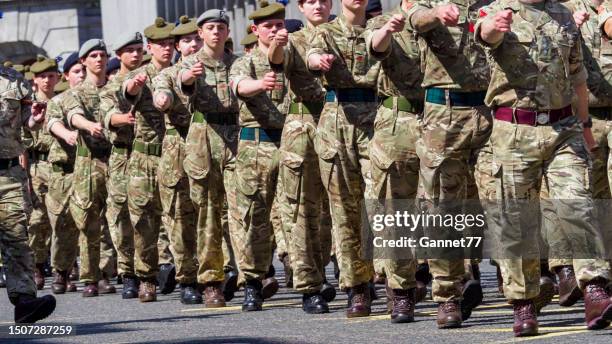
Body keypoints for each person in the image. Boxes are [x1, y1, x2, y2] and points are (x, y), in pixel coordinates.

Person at [477, 0, 612, 335]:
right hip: (514, 131)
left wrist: (584, 127)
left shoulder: (564, 14)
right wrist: (495, 27)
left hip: (562, 129)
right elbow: (485, 35)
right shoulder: (494, 10)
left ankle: (594, 287)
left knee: (577, 202)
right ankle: (523, 302)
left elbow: (578, 77)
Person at [306, 0, 381, 318]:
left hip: (378, 116)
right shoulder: (326, 32)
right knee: (344, 211)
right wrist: (317, 61)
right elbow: (310, 55)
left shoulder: (379, 28)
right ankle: (357, 287)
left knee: (381, 202)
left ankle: (392, 281)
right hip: (337, 119)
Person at [268, 0, 336, 314]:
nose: (318, 5)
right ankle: (309, 285)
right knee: (301, 209)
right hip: (303, 127)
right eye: (311, 1)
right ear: (300, 7)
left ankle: (351, 279)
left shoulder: (342, 32)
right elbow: (277, 60)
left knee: (338, 207)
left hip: (341, 121)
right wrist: (276, 45)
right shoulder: (293, 38)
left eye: (323, 0)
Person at [229, 0, 289, 311]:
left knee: (297, 214)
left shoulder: (293, 58)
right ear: (256, 30)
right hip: (256, 148)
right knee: (253, 218)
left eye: (280, 24)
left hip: (290, 143)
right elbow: (239, 85)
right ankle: (252, 282)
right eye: (269, 26)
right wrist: (260, 85)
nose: (276, 30)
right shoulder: (246, 62)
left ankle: (308, 281)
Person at [122, 17, 174, 302]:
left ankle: (184, 275)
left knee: (177, 217)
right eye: (160, 45)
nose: (166, 49)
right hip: (144, 157)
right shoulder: (141, 75)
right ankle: (146, 277)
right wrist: (133, 85)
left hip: (174, 154)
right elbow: (128, 92)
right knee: (143, 220)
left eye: (169, 44)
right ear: (149, 48)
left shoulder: (183, 71)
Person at [0, 60, 57, 323]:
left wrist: (34, 116)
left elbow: (28, 124)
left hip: (9, 173)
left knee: (17, 237)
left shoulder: (14, 79)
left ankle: (25, 302)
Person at [152, 15, 203, 304]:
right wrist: (164, 101)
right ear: (177, 46)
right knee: (179, 215)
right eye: (186, 41)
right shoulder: (168, 74)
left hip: (212, 142)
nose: (193, 45)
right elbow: (162, 97)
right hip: (177, 146)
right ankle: (187, 278)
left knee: (213, 212)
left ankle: (217, 274)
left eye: (196, 39)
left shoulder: (222, 68)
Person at [62, 39, 112, 297]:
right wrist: (87, 125)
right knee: (88, 220)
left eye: (102, 55)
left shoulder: (115, 87)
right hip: (88, 160)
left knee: (114, 219)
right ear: (83, 61)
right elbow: (73, 114)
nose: (99, 59)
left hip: (116, 159)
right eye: (93, 55)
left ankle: (110, 272)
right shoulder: (76, 92)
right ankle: (91, 276)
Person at [100, 31, 145, 299]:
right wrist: (121, 119)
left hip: (151, 155)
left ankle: (154, 268)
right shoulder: (110, 86)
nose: (136, 55)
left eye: (139, 50)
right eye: (130, 51)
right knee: (121, 218)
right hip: (122, 156)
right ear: (119, 55)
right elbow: (108, 115)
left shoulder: (153, 77)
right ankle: (128, 273)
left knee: (152, 215)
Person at [46, 52, 85, 294]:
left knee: (93, 223)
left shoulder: (97, 97)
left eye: (84, 70)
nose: (81, 75)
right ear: (67, 76)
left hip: (89, 169)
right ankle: (61, 270)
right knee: (63, 226)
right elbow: (53, 123)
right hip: (63, 172)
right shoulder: (58, 100)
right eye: (77, 72)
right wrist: (67, 134)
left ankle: (97, 273)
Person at [23, 55, 60, 290]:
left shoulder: (63, 101)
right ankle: (36, 264)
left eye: (51, 76)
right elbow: (23, 145)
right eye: (42, 76)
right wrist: (25, 177)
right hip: (37, 166)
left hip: (60, 166)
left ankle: (61, 268)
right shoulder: (29, 106)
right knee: (37, 221)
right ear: (35, 80)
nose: (47, 80)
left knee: (62, 220)